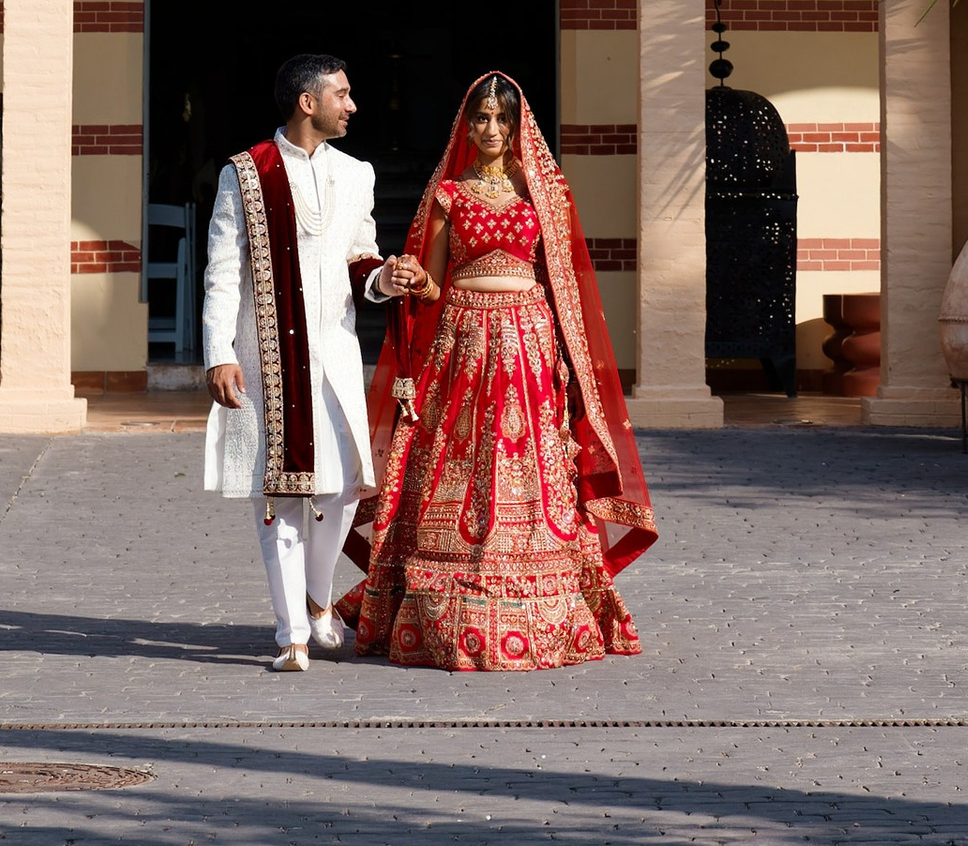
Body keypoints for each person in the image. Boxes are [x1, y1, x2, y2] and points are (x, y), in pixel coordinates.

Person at [344, 71, 652, 671]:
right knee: (459, 461)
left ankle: (544, 600)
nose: (491, 128)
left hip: (530, 342)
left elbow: (563, 278)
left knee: (530, 466)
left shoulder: (544, 191)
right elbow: (434, 286)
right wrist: (415, 279)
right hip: (463, 342)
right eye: (481, 118)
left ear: (516, 126)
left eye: (501, 118)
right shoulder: (449, 195)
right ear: (467, 125)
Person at [200, 51, 425, 674]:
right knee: (278, 496)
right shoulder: (246, 174)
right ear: (308, 102)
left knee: (342, 488)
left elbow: (360, 259)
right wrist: (219, 353)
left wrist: (386, 279)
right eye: (342, 94)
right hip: (266, 357)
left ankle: (317, 598)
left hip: (335, 354)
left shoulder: (356, 173)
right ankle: (291, 635)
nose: (352, 105)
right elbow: (223, 273)